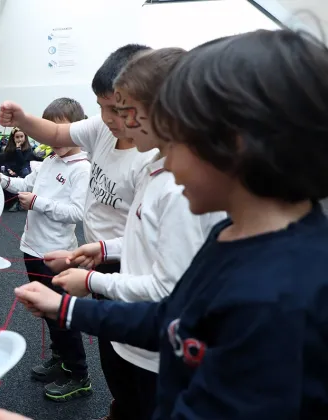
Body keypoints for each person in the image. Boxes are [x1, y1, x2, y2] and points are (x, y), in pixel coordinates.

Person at [14, 29, 328, 419]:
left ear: (237, 145)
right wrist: (68, 309)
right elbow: (176, 316)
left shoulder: (278, 301)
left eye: (177, 142)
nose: (167, 167)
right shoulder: (231, 236)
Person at [50, 48, 225, 419]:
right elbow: (146, 235)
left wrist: (92, 286)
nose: (118, 121)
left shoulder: (179, 185)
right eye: (114, 108)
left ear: (165, 109)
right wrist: (103, 248)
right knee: (126, 400)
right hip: (135, 337)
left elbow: (168, 291)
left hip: (158, 353)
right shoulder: (155, 165)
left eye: (126, 109)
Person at [0, 44, 156, 410]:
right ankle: (122, 406)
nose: (105, 117)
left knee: (132, 345)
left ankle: (122, 400)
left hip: (128, 262)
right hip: (98, 254)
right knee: (110, 342)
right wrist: (22, 118)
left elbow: (152, 251)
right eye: (101, 106)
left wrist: (93, 271)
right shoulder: (103, 128)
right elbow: (56, 134)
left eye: (115, 109)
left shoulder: (151, 160)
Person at [0, 97, 92, 401]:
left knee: (62, 315)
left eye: (61, 129)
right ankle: (61, 360)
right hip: (32, 248)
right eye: (49, 129)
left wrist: (38, 203)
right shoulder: (50, 160)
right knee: (48, 313)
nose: (54, 137)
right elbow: (26, 184)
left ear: (76, 129)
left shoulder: (82, 168)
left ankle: (79, 375)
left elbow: (77, 212)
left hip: (57, 255)